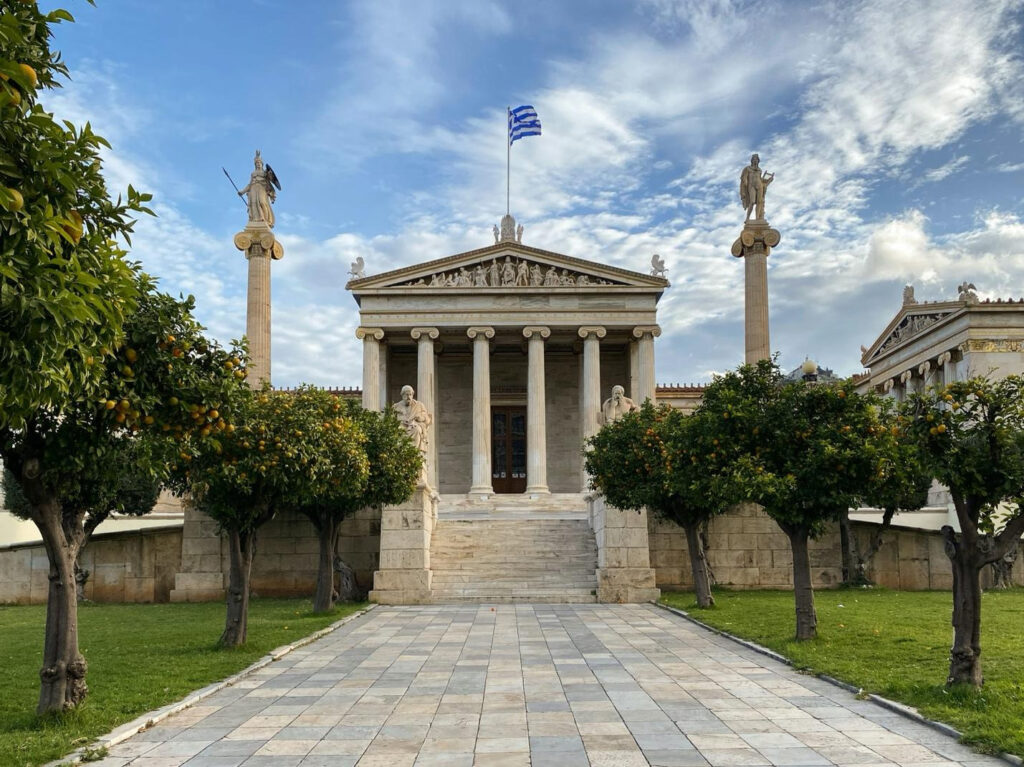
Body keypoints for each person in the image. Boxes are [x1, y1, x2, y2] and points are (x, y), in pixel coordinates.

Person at [238, 151, 276, 228]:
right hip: (253, 189)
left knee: (262, 203)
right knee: (254, 203)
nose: (258, 164)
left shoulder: (265, 173)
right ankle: (256, 219)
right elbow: (250, 184)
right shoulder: (253, 173)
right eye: (256, 163)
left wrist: (270, 175)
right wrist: (242, 191)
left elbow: (270, 180)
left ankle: (266, 219)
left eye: (259, 163)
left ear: (262, 164)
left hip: (261, 188)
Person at [394, 385, 432, 453]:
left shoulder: (419, 405)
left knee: (416, 429)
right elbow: (390, 418)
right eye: (406, 395)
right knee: (397, 431)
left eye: (410, 395)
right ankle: (401, 453)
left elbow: (427, 418)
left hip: (414, 426)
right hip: (401, 426)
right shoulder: (396, 406)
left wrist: (421, 418)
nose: (409, 397)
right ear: (402, 395)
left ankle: (413, 453)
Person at [739, 153, 774, 222]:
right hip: (751, 185)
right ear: (752, 161)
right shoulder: (747, 168)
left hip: (759, 185)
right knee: (752, 201)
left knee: (759, 202)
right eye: (754, 159)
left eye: (756, 159)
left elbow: (760, 179)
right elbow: (744, 177)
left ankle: (757, 218)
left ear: (758, 161)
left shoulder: (759, 170)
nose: (755, 161)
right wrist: (745, 181)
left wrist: (769, 179)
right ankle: (747, 218)